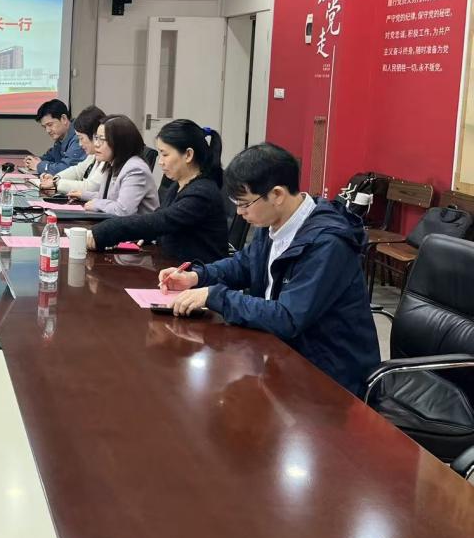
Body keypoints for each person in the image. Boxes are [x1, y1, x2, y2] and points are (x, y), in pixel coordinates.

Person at [162, 142, 380, 396]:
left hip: (327, 377)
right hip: (281, 354)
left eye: (245, 204)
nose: (239, 213)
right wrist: (197, 276)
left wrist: (215, 296)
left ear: (277, 195)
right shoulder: (274, 222)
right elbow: (245, 264)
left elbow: (288, 317)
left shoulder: (327, 243)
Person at [86, 119, 228, 264]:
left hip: (198, 272)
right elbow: (160, 219)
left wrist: (105, 232)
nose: (160, 161)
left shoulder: (202, 193)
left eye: (165, 154)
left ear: (188, 155)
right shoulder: (178, 185)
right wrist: (148, 236)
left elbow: (161, 221)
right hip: (172, 264)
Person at [71, 115, 159, 215]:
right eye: (96, 138)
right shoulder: (112, 163)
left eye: (102, 139)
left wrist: (97, 204)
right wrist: (84, 195)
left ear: (120, 142)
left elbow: (123, 210)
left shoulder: (135, 170)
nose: (96, 144)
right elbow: (109, 197)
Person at [39, 105, 106, 193]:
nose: (80, 144)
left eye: (81, 138)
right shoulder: (93, 155)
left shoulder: (106, 158)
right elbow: (77, 171)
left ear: (94, 135)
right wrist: (56, 178)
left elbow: (90, 187)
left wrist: (56, 183)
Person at [22, 99, 86, 175]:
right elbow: (51, 157)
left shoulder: (79, 137)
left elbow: (66, 169)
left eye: (50, 125)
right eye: (44, 127)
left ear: (64, 119)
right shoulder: (61, 137)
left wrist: (38, 165)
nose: (47, 130)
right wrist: (35, 161)